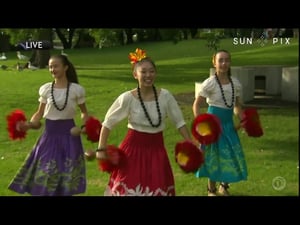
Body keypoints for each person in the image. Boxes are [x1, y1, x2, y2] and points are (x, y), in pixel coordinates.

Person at [96, 48, 192, 196]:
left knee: (156, 188)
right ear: (135, 74)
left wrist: (190, 143)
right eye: (144, 72)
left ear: (156, 73)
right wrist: (101, 149)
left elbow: (179, 122)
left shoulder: (165, 96)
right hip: (132, 151)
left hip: (157, 151)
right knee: (129, 188)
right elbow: (108, 123)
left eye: (152, 71)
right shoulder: (127, 98)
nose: (148, 75)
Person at [8, 54, 89, 196]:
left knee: (65, 177)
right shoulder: (46, 89)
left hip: (69, 136)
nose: (52, 69)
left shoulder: (76, 90)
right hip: (49, 136)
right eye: (50, 66)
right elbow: (39, 113)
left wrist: (85, 127)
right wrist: (29, 124)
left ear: (65, 67)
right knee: (46, 173)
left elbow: (84, 113)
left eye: (56, 66)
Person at [192, 49, 248, 196]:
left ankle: (224, 186)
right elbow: (196, 104)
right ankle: (211, 189)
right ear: (214, 62)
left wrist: (243, 119)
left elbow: (236, 106)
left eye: (227, 60)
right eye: (220, 60)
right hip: (213, 125)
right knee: (213, 156)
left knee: (228, 154)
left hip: (228, 125)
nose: (224, 63)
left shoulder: (235, 84)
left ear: (230, 63)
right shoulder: (209, 83)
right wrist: (200, 123)